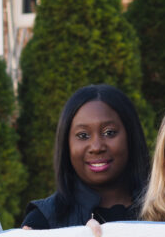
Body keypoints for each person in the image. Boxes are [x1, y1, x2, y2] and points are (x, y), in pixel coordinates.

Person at [21, 84, 150, 229]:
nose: (96, 147)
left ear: (131, 136)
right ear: (66, 144)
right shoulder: (42, 221)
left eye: (109, 133)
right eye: (83, 135)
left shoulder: (163, 209)